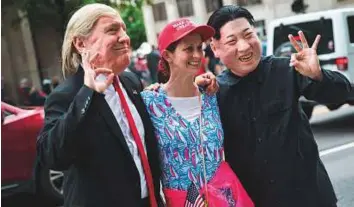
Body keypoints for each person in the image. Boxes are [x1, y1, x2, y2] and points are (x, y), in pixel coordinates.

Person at [204, 5, 352, 207]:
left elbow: (343, 92)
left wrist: (318, 75)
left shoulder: (286, 70)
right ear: (215, 48)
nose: (245, 46)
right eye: (232, 41)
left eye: (249, 35)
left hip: (311, 197)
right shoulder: (214, 94)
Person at [36, 4, 163, 207]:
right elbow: (52, 156)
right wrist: (88, 92)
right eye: (113, 30)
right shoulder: (66, 95)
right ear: (80, 43)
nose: (124, 37)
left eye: (124, 29)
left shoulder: (131, 82)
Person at [141, 18, 253, 207]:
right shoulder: (150, 103)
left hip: (226, 198)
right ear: (168, 55)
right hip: (183, 201)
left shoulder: (211, 94)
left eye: (199, 48)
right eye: (188, 49)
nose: (197, 55)